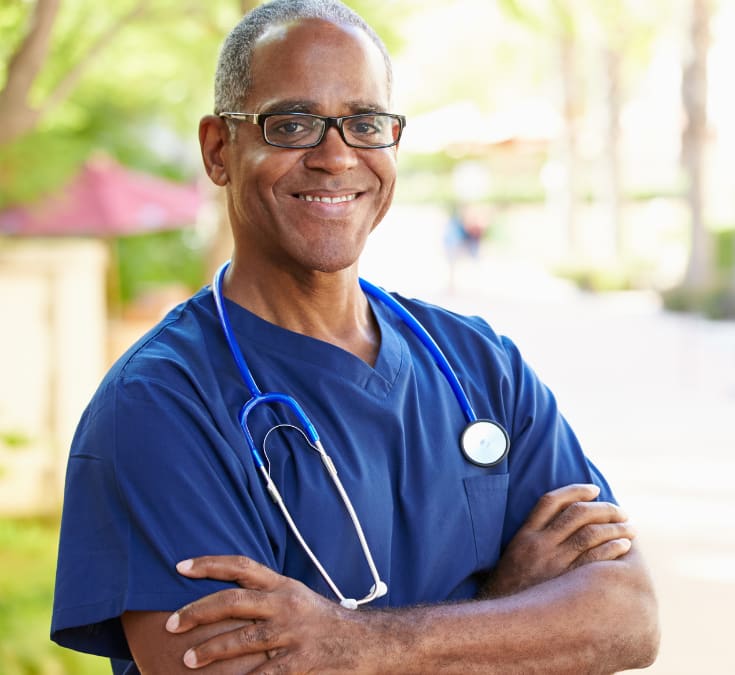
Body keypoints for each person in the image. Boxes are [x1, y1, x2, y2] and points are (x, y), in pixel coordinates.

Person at [50, 1, 659, 673]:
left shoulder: (482, 366)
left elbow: (626, 616)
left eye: (365, 123)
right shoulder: (162, 406)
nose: (336, 156)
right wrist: (512, 607)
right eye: (292, 124)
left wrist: (352, 642)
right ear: (219, 150)